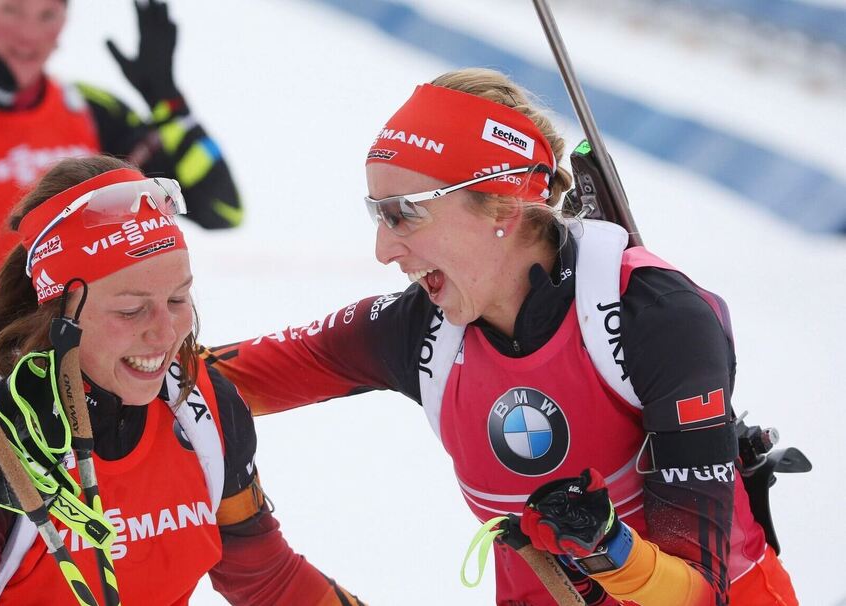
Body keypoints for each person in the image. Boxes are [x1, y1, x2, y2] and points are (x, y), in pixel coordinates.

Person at [202, 68, 799, 605]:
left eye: (403, 212)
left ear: (503, 208)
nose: (383, 249)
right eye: (376, 213)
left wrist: (609, 548)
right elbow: (201, 381)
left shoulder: (653, 317)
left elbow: (701, 593)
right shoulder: (420, 329)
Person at [0, 156, 361, 605]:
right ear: (58, 314)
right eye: (131, 310)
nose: (166, 333)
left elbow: (266, 577)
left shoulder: (201, 406)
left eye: (178, 298)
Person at [0, 0, 243, 324]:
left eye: (47, 14)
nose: (28, 33)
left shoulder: (94, 111)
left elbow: (222, 210)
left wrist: (168, 100)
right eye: (11, 9)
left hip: (92, 348)